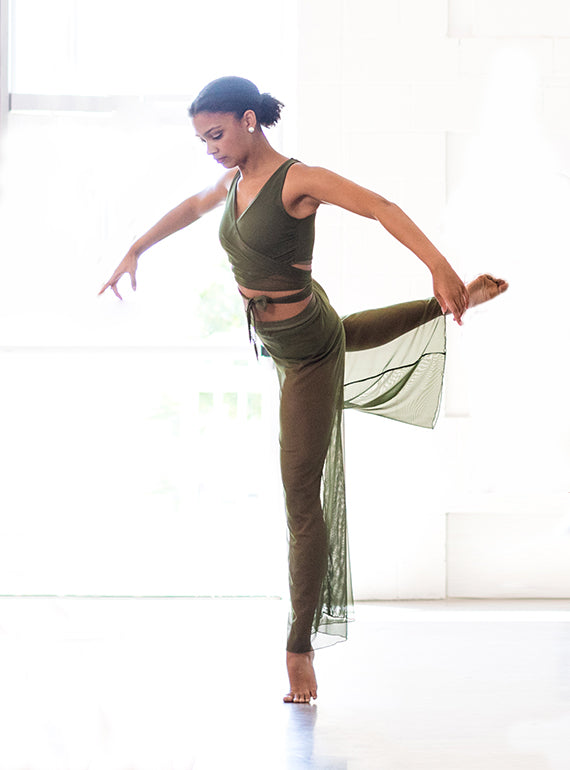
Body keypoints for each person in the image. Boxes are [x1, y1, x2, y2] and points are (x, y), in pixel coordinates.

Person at [99, 76, 508, 704]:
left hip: (305, 348)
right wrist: (135, 248)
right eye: (202, 140)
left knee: (300, 497)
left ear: (249, 120)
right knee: (345, 333)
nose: (211, 148)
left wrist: (439, 264)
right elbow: (188, 208)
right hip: (286, 338)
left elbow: (381, 207)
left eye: (217, 134)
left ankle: (299, 648)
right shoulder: (232, 182)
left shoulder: (297, 181)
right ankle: (451, 304)